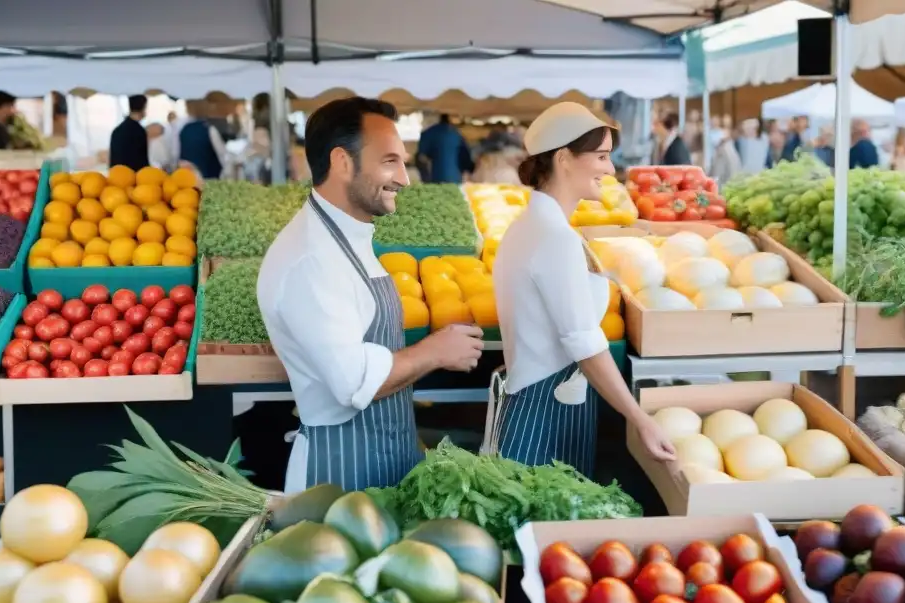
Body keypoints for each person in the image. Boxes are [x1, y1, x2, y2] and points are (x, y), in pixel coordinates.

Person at [257, 98, 484, 493]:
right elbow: (354, 382)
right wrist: (436, 350)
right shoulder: (311, 260)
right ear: (343, 162)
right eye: (390, 161)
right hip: (339, 478)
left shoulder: (346, 233)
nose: (405, 178)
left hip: (382, 460)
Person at [485, 102, 676, 477]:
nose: (609, 168)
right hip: (545, 416)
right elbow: (584, 343)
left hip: (537, 402)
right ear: (564, 158)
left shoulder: (529, 227)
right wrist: (640, 419)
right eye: (602, 156)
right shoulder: (554, 238)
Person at [416, 114, 473, 183]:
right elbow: (466, 159)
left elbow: (421, 158)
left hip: (437, 177)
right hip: (455, 178)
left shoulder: (429, 133)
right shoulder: (457, 134)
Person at [178, 100, 226, 180]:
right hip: (209, 180)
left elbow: (177, 156)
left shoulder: (183, 130)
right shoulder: (209, 129)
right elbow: (223, 156)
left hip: (188, 181)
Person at [109, 94, 150, 171]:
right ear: (143, 107)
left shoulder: (117, 130)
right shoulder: (139, 131)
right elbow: (142, 160)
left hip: (116, 176)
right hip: (133, 178)